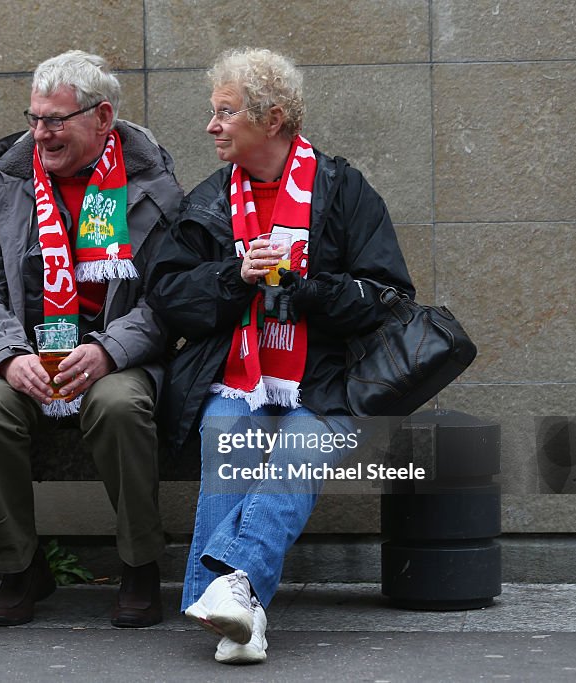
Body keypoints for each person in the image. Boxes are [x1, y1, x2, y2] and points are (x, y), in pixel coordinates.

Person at [147, 48, 414, 664]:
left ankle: (227, 591)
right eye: (212, 113)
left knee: (297, 445)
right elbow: (168, 293)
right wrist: (236, 276)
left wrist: (304, 286)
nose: (211, 126)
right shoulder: (212, 198)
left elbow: (390, 295)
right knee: (229, 439)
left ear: (271, 119)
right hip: (234, 379)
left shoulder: (343, 189)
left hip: (329, 382)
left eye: (226, 113)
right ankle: (244, 612)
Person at [0, 50, 183, 629]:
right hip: (24, 350)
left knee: (121, 405)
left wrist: (109, 351)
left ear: (102, 118)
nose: (41, 133)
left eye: (56, 119)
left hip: (116, 354)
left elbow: (170, 297)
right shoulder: (6, 178)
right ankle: (21, 567)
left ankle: (139, 564)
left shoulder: (153, 183)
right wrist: (7, 356)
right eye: (35, 118)